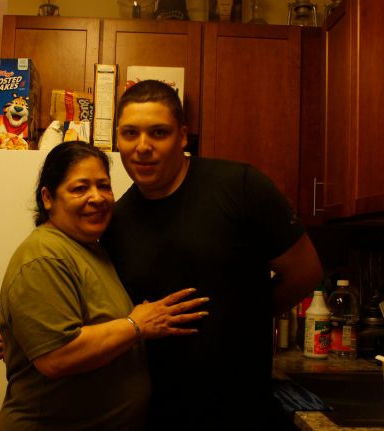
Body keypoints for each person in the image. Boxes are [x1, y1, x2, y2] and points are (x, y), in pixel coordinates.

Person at [100, 79, 324, 430]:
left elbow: (305, 271)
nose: (142, 147)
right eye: (130, 133)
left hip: (241, 411)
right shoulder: (115, 221)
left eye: (158, 132)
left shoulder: (241, 187)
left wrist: (246, 312)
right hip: (152, 416)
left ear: (182, 136)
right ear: (118, 138)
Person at [0, 141, 209, 431]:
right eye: (80, 188)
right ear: (48, 198)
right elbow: (57, 357)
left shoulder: (90, 247)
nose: (97, 198)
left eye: (103, 186)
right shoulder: (43, 256)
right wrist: (136, 325)